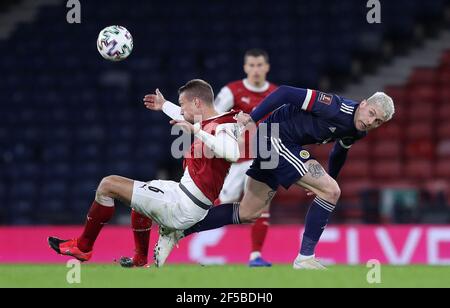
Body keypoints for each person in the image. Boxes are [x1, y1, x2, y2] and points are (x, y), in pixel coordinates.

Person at [154, 86, 395, 269]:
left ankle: (176, 231)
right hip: (274, 136)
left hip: (277, 142)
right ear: (363, 103)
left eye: (378, 121)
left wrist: (327, 178)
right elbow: (286, 92)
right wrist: (254, 117)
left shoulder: (358, 130)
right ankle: (305, 258)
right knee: (332, 191)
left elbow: (339, 151)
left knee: (249, 211)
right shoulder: (334, 106)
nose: (371, 122)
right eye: (372, 113)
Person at [47, 79, 241, 265]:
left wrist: (196, 131)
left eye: (183, 104)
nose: (181, 110)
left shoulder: (221, 126)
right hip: (184, 194)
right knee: (144, 195)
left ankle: (83, 247)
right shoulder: (211, 121)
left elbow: (233, 153)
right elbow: (184, 117)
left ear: (197, 102)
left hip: (185, 205)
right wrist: (164, 105)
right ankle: (140, 260)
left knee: (107, 185)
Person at [212, 48, 277, 267]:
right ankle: (184, 228)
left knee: (262, 205)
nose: (256, 69)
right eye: (251, 65)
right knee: (224, 202)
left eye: (259, 65)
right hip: (237, 159)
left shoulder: (276, 93)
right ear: (245, 67)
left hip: (264, 158)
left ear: (267, 67)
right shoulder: (233, 91)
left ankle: (255, 256)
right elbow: (213, 118)